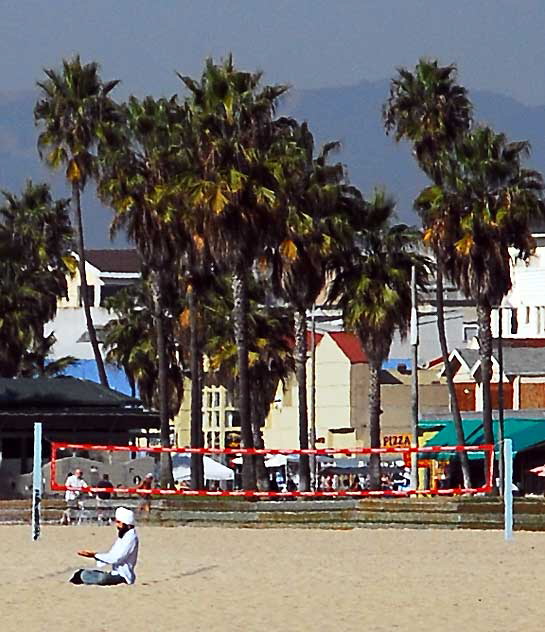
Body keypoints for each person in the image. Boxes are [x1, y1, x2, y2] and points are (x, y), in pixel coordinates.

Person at [69, 507, 139, 586]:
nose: (117, 525)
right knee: (84, 574)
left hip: (124, 576)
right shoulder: (124, 536)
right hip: (115, 573)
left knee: (101, 578)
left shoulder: (130, 538)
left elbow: (116, 558)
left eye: (118, 522)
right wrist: (95, 556)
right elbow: (112, 554)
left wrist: (94, 555)